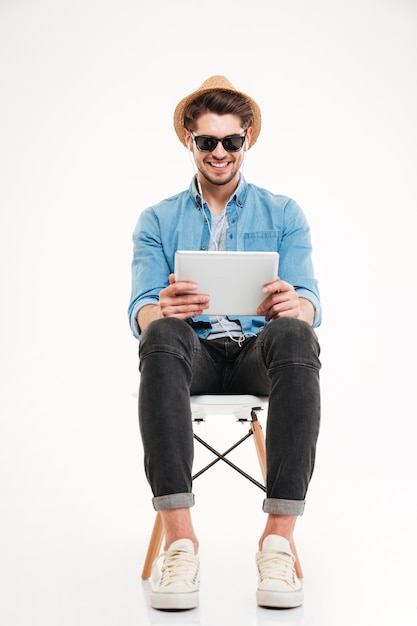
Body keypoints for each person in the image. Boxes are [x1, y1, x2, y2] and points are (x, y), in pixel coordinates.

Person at [128, 75, 321, 611]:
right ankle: (181, 542)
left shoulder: (283, 214)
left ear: (247, 139)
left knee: (297, 333)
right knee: (162, 332)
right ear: (188, 140)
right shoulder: (158, 219)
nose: (219, 153)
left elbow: (310, 300)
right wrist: (158, 310)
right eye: (206, 141)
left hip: (260, 353)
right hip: (193, 356)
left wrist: (294, 305)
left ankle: (278, 541)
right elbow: (139, 306)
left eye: (230, 141)